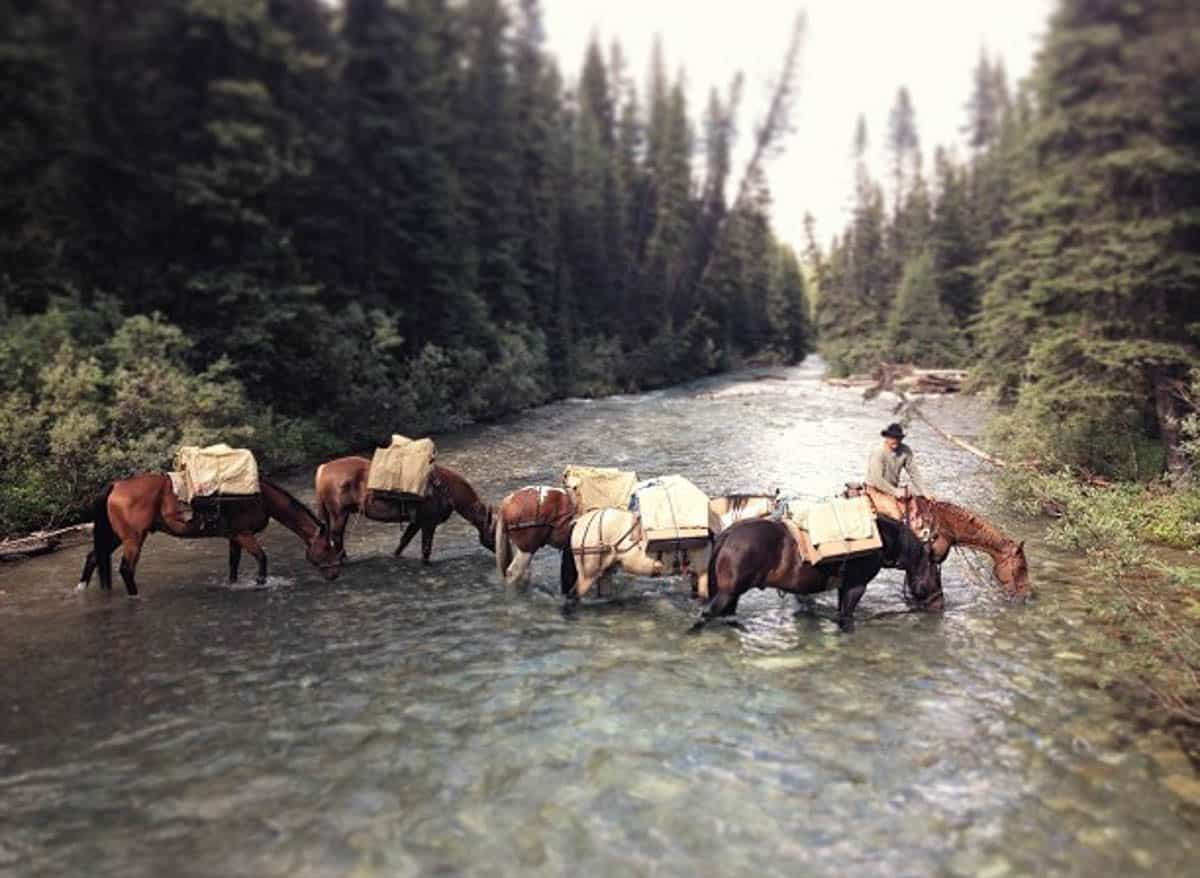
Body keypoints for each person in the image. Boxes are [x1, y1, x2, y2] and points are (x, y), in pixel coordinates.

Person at [866, 422, 929, 498]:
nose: (895, 440)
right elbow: (877, 479)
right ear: (886, 437)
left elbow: (914, 473)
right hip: (875, 490)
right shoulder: (878, 452)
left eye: (898, 438)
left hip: (892, 489)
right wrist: (896, 492)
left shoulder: (905, 450)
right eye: (892, 438)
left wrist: (925, 492)